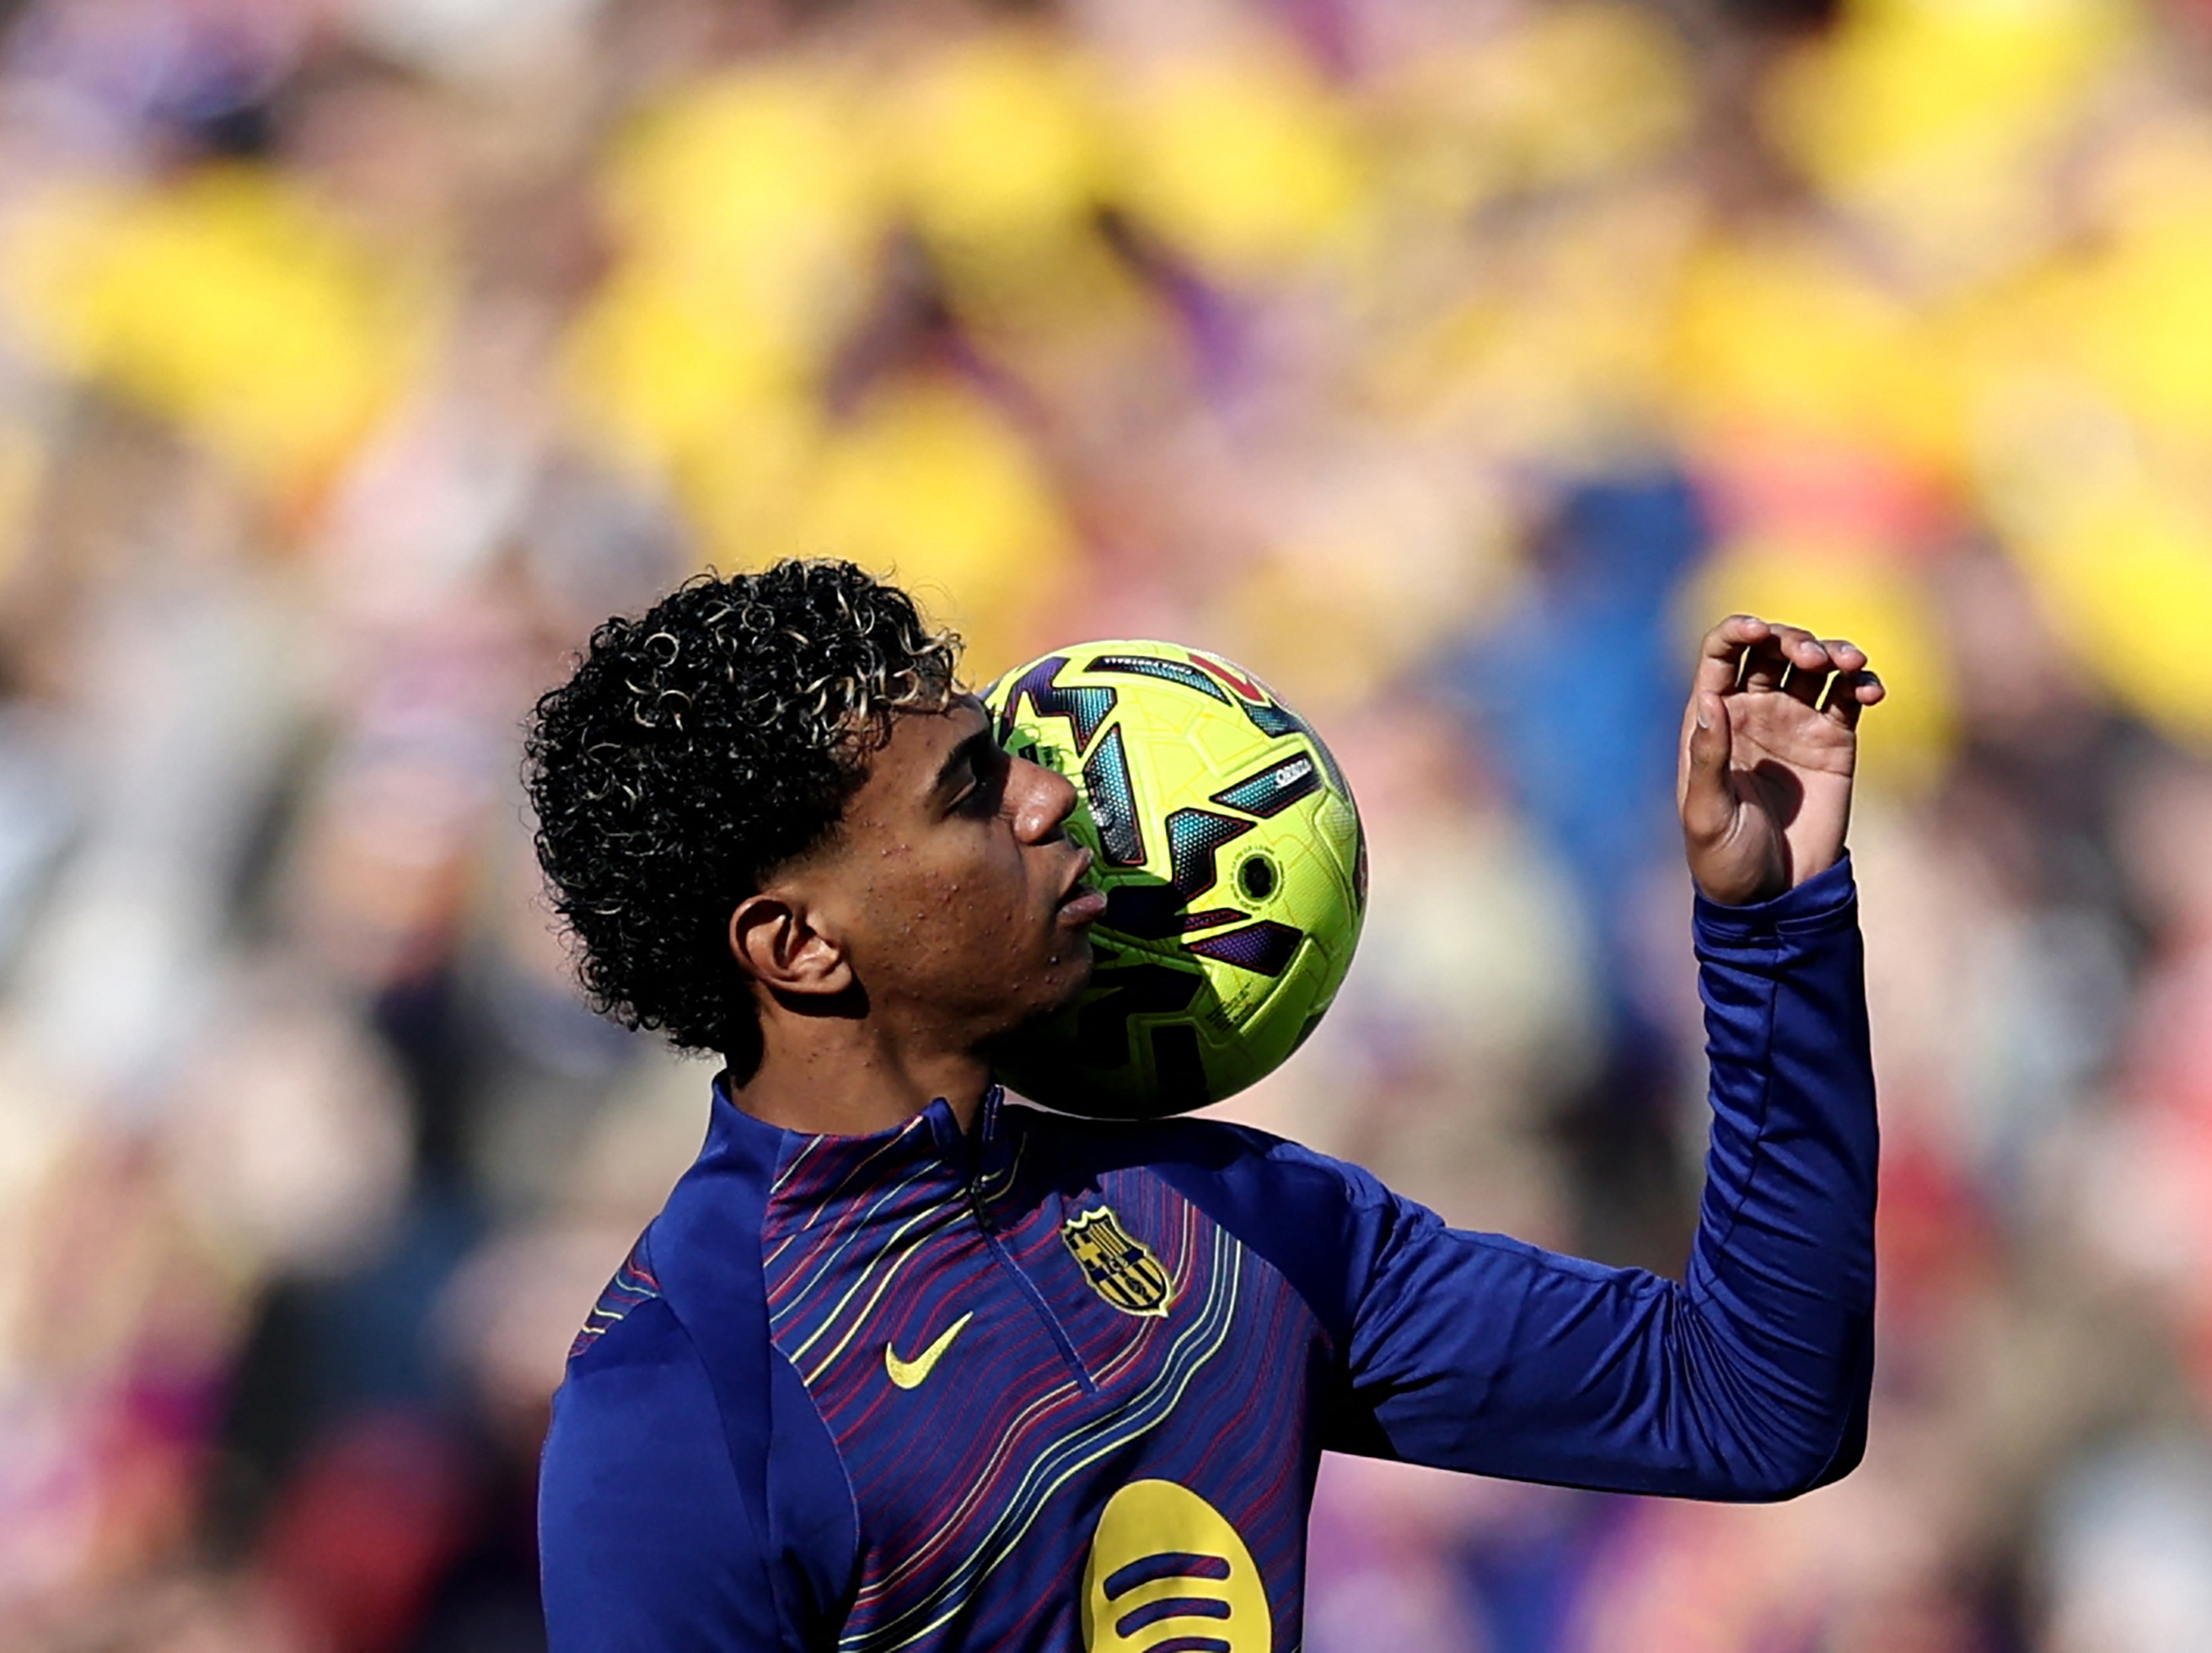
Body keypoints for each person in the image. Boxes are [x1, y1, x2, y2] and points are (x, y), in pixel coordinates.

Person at [528, 558, 1883, 1653]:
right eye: (971, 796)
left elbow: (1751, 1402)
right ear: (799, 944)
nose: (1055, 795)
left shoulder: (1227, 1214)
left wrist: (1770, 930)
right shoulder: (688, 1398)